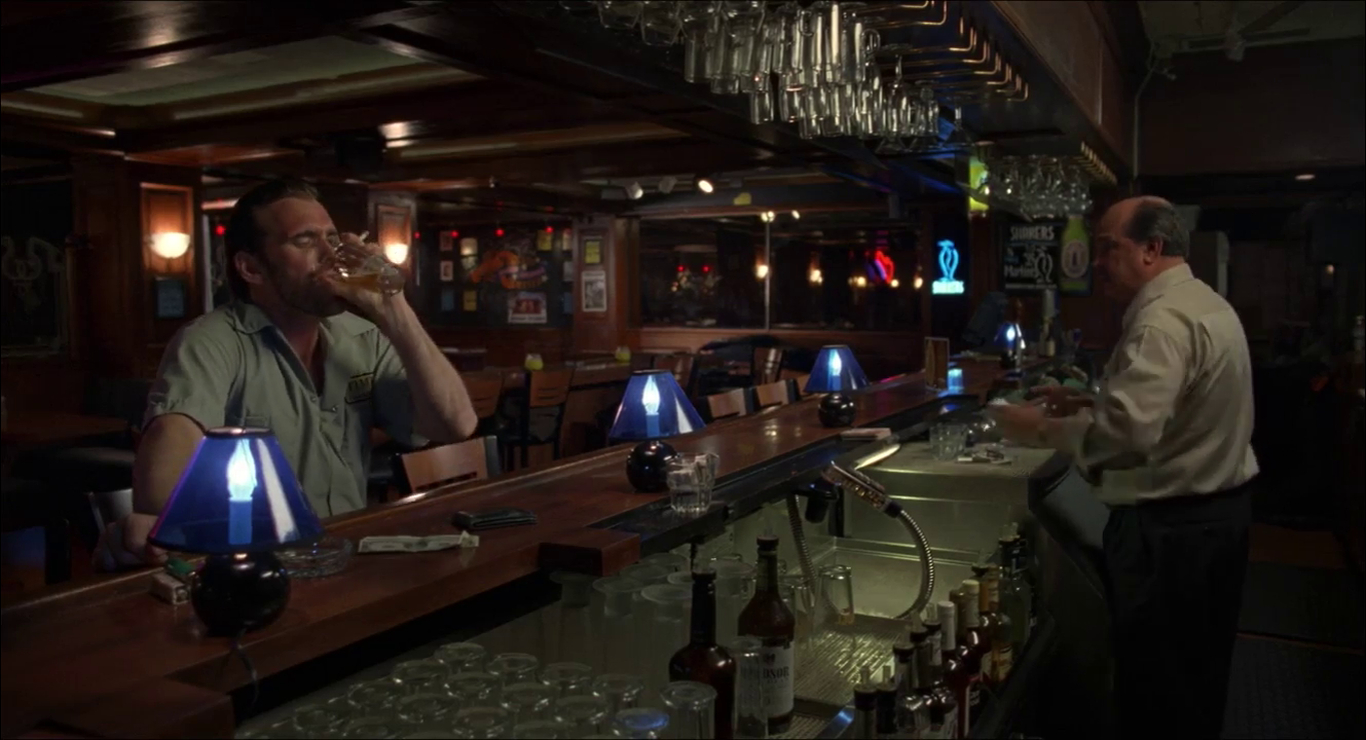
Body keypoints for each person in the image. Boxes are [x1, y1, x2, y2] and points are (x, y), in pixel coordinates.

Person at [96, 179, 479, 569]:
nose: (330, 254)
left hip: (347, 557)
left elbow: (455, 425)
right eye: (305, 241)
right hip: (260, 566)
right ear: (251, 268)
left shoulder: (363, 337)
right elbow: (161, 491)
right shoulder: (211, 342)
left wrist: (394, 308)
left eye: (333, 238)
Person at [992, 196, 1258, 739]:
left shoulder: (1160, 322)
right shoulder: (1202, 302)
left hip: (1172, 536)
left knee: (1158, 694)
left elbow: (1127, 437)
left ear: (1150, 250)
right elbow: (1180, 409)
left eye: (1108, 248)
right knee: (1196, 681)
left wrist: (1031, 427)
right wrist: (1088, 403)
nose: (1096, 263)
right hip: (1215, 523)